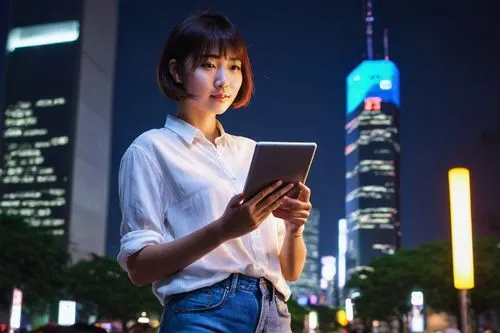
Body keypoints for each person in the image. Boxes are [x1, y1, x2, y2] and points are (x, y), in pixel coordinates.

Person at [117, 10, 312, 333]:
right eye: (208, 65)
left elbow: (290, 271)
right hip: (203, 312)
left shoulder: (252, 151)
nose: (224, 81)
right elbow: (139, 268)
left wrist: (294, 227)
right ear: (176, 70)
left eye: (234, 66)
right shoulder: (151, 149)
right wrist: (223, 229)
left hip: (275, 313)